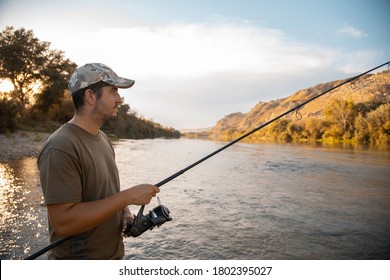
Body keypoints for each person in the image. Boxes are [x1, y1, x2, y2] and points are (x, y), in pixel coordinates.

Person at [37, 63, 160, 259]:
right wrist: (127, 197)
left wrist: (124, 211)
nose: (119, 99)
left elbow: (106, 191)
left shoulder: (103, 138)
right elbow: (63, 223)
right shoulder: (61, 147)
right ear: (90, 96)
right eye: (113, 91)